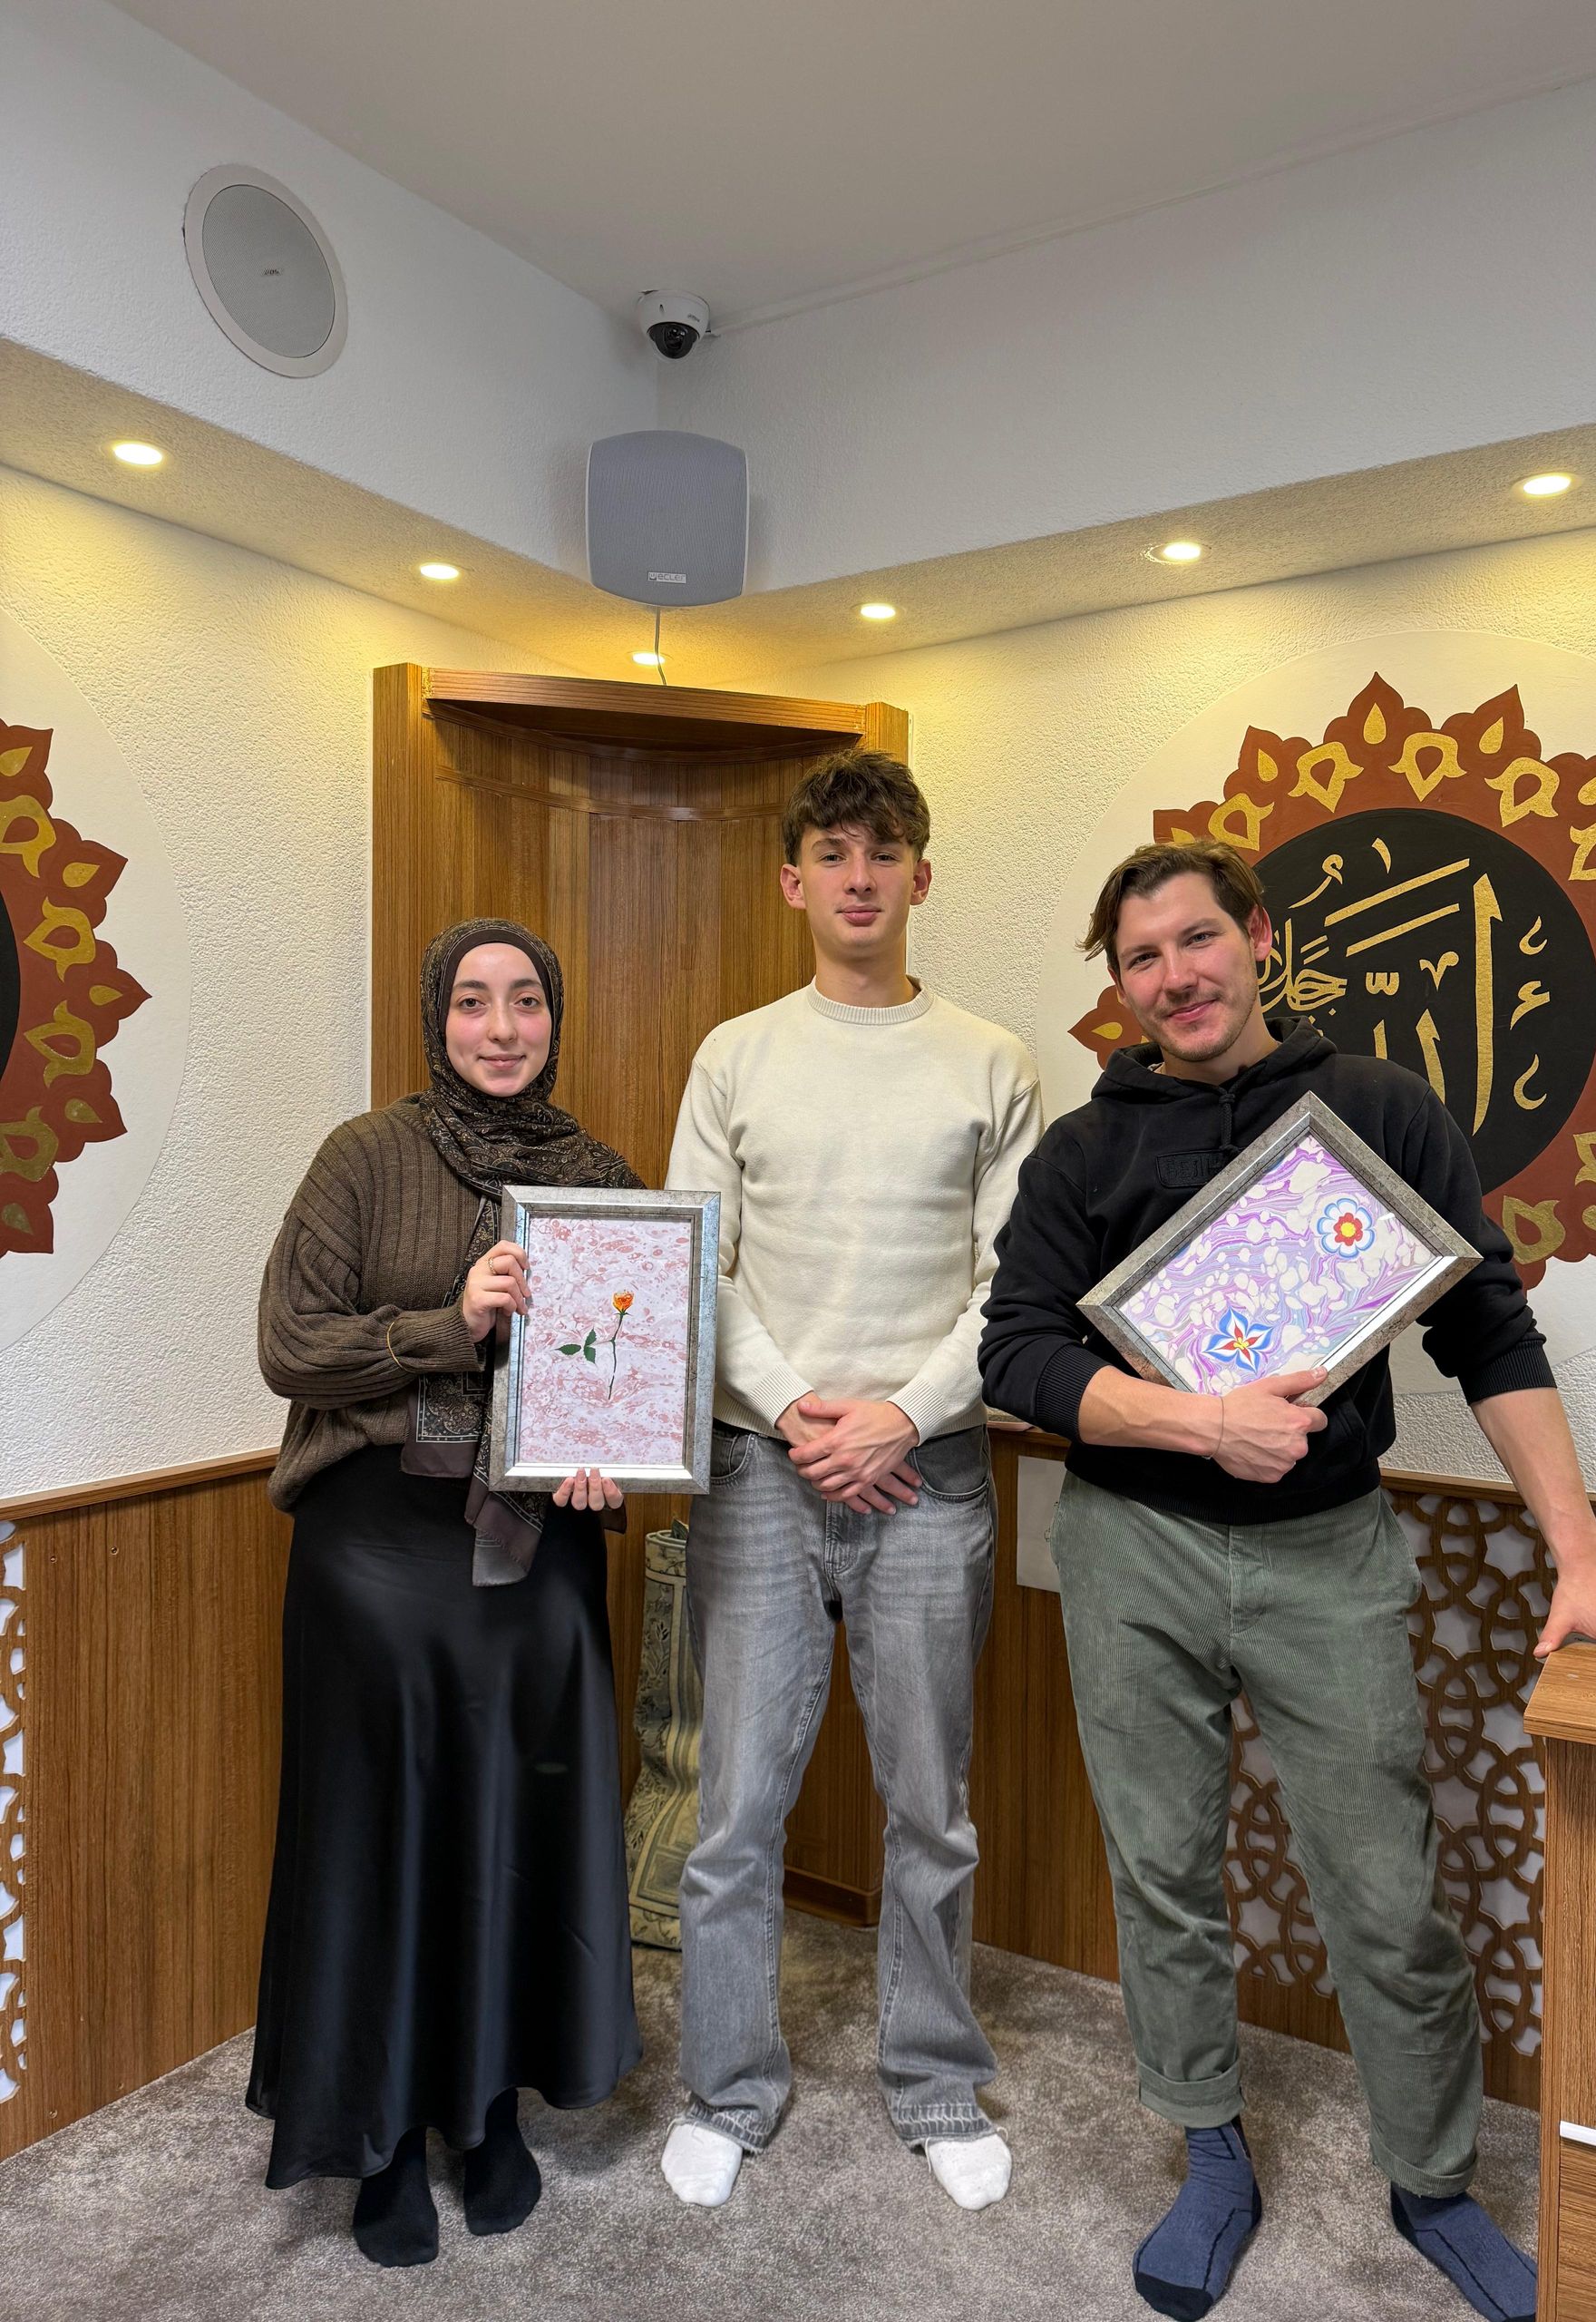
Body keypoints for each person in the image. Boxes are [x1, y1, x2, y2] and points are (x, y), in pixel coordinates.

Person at [978, 839, 1596, 2322]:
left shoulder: (1379, 1113)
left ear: (1259, 938)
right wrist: (1198, 1421)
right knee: (1163, 1872)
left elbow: (1489, 1332)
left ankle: (1432, 2178)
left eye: (1198, 939)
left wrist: (1586, 1558)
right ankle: (1208, 2149)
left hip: (1330, 1550)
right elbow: (1018, 1354)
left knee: (1386, 1886)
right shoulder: (1080, 1152)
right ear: (1120, 985)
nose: (1175, 976)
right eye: (1140, 959)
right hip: (1132, 1547)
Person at [659, 750, 1042, 2212]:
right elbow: (700, 1260)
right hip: (763, 1469)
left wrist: (901, 1416)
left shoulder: (991, 1060)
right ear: (794, 880)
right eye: (833, 852)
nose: (860, 876)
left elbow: (1015, 1289)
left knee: (930, 1806)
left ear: (921, 876)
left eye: (884, 852)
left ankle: (935, 2083)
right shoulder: (735, 1054)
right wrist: (805, 1412)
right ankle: (727, 2086)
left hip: (929, 1475)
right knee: (735, 1811)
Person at [249, 918, 643, 2267]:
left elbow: (627, 1366)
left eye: (526, 1001)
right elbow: (289, 1344)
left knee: (513, 1831)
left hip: (539, 1552)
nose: (501, 1027)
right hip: (377, 1553)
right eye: (473, 1002)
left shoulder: (602, 1179)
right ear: (437, 1017)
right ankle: (380, 2134)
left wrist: (609, 1454)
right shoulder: (366, 1155)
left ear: (555, 1019)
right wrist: (452, 1325)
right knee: (384, 1838)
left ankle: (488, 2113)